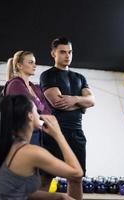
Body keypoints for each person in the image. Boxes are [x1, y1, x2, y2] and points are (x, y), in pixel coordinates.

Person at [0, 95, 83, 200]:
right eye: (36, 111)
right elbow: (77, 174)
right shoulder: (30, 152)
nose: (40, 114)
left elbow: (15, 190)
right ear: (30, 116)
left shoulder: (9, 146)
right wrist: (58, 134)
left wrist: (59, 196)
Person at [40, 37, 95, 199]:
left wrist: (74, 99)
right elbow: (58, 103)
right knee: (46, 178)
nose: (67, 55)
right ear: (53, 53)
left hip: (76, 133)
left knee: (76, 177)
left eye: (69, 52)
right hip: (54, 133)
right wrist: (81, 103)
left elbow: (92, 101)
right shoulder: (48, 75)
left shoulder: (80, 77)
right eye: (62, 52)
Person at [4, 50, 51, 145]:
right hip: (21, 134)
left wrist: (36, 104)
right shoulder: (15, 84)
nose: (35, 66)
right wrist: (39, 105)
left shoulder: (36, 87)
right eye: (30, 62)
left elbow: (48, 112)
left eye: (35, 62)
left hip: (37, 133)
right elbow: (28, 111)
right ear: (19, 65)